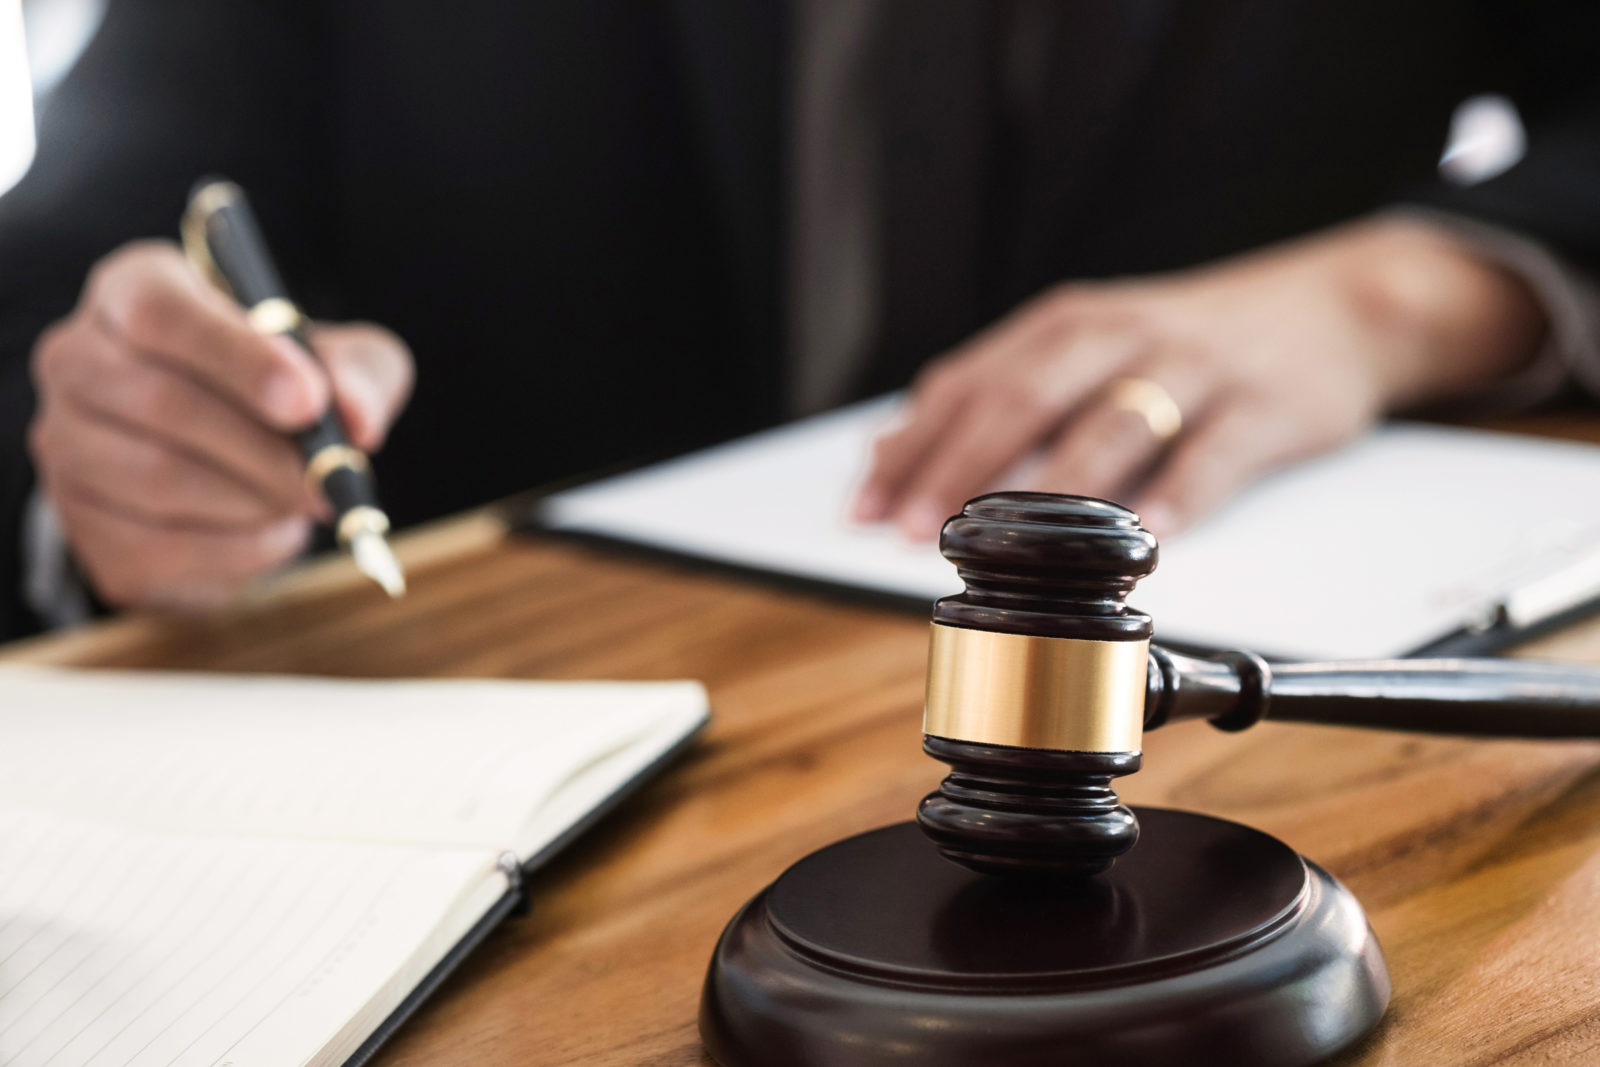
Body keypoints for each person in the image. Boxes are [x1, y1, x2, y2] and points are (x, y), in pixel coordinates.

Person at [0, 1, 1596, 636]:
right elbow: (94, 229)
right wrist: (119, 449)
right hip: (509, 699)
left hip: (1254, 733)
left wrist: (1401, 295)